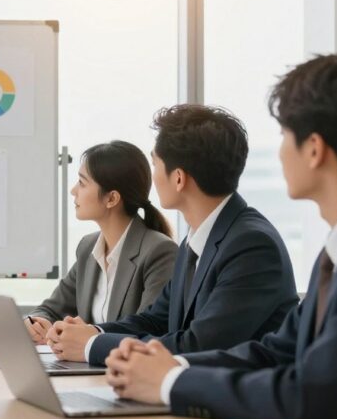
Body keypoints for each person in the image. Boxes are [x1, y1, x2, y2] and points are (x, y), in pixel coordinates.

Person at [105, 54, 337, 419]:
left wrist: (171, 383)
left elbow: (310, 394)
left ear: (314, 149)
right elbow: (277, 351)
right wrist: (167, 366)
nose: (280, 152)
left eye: (284, 134)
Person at [48, 105, 298, 365]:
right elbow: (156, 320)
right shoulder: (197, 241)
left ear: (178, 179)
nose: (152, 176)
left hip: (235, 400)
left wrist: (91, 346)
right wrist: (93, 332)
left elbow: (199, 345)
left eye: (155, 163)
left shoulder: (251, 246)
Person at [24, 141, 177, 344]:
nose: (73, 190)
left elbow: (149, 330)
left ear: (112, 198)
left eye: (82, 182)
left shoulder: (159, 251)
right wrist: (37, 321)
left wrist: (87, 337)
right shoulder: (88, 248)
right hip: (86, 370)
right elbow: (52, 308)